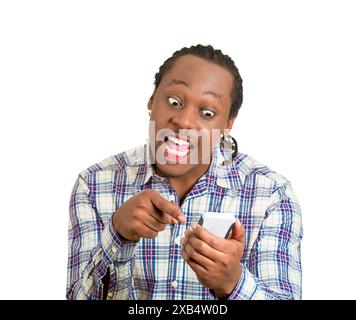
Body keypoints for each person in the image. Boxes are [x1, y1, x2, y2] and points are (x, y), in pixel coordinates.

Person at [66, 44, 303, 300]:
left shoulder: (271, 195)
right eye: (174, 101)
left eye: (207, 112)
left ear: (227, 124)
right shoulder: (94, 184)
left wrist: (233, 284)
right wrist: (117, 236)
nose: (185, 121)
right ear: (151, 100)